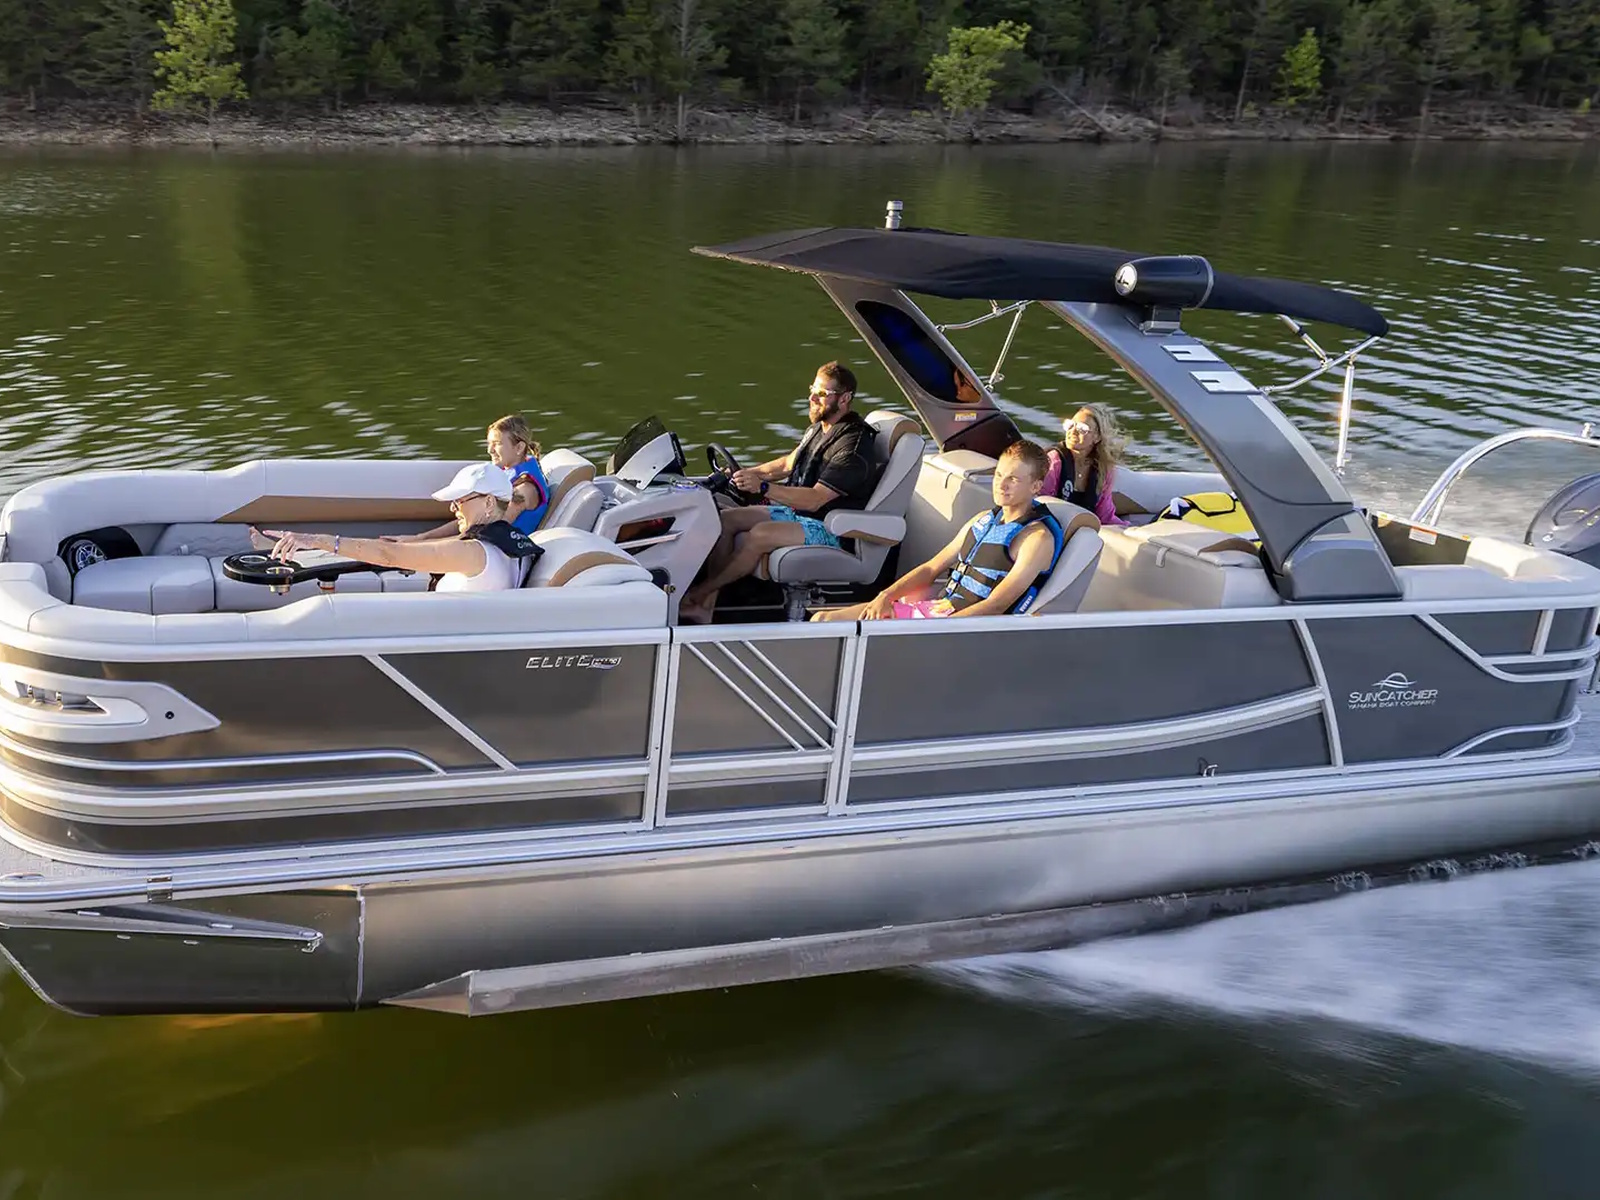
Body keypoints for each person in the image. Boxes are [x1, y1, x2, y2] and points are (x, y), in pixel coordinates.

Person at [679, 362, 878, 623]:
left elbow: (815, 499)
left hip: (832, 528)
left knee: (760, 534)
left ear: (844, 399)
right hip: (799, 515)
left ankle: (699, 595)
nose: (812, 398)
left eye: (822, 394)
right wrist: (747, 473)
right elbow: (786, 464)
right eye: (812, 390)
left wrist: (763, 487)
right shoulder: (819, 429)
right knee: (725, 521)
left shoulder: (853, 447)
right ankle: (706, 607)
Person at [814, 440, 1064, 622]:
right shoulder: (983, 520)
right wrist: (885, 596)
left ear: (1036, 486)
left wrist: (938, 630)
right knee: (822, 620)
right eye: (999, 475)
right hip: (935, 613)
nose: (1001, 484)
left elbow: (996, 605)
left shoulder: (1036, 539)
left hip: (956, 630)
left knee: (827, 624)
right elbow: (931, 569)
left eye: (1014, 479)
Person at [262, 462, 537, 593]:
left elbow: (388, 555)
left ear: (488, 502)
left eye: (460, 501)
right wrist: (414, 541)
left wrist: (316, 540)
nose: (453, 508)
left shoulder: (474, 553)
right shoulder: (510, 544)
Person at [395, 415, 550, 542]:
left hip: (504, 555)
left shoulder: (525, 489)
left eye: (496, 444)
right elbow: (473, 519)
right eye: (489, 443)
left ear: (519, 447)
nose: (490, 450)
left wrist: (419, 544)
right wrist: (420, 538)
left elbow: (488, 531)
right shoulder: (509, 472)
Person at [1039, 403, 1128, 528]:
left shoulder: (1103, 469)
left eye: (1082, 428)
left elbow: (1105, 516)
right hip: (1055, 526)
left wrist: (1127, 529)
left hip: (1086, 527)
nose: (1073, 431)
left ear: (1097, 437)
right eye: (1070, 425)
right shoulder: (1055, 462)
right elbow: (1040, 504)